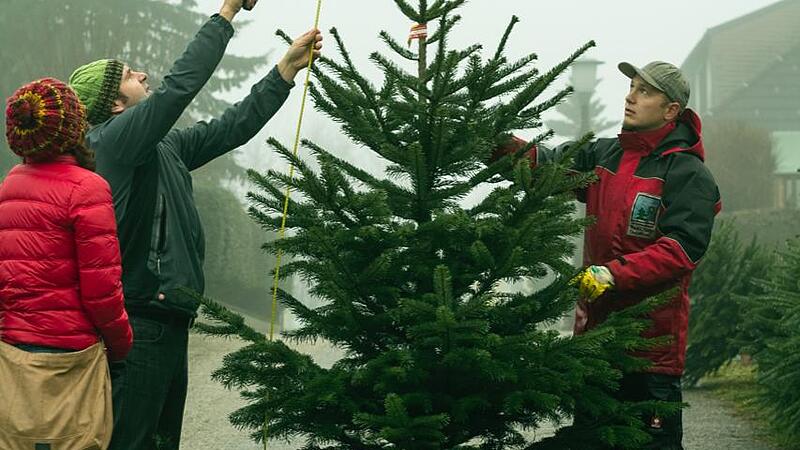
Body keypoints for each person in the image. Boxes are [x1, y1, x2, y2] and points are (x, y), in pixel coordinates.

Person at [68, 0, 322, 447]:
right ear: (114, 103)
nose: (144, 75)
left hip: (168, 320)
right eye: (131, 74)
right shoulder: (113, 142)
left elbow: (231, 128)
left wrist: (284, 71)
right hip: (141, 322)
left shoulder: (161, 148)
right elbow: (179, 89)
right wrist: (226, 12)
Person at [498, 61, 721, 449]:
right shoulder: (604, 155)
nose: (630, 97)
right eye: (631, 87)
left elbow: (680, 250)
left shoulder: (688, 174)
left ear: (671, 110)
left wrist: (613, 274)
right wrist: (495, 144)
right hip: (595, 345)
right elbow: (546, 166)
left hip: (650, 354)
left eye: (644, 91)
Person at [0, 77, 132, 449]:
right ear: (75, 127)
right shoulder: (88, 188)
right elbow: (101, 290)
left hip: (13, 354)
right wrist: (122, 345)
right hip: (71, 359)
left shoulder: (9, 186)